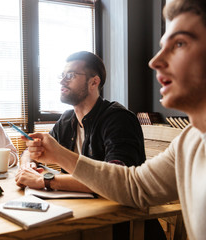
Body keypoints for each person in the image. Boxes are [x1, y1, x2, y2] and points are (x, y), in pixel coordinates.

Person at [23, 0, 206, 239]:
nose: (154, 62)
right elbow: (134, 185)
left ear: (94, 82)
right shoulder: (190, 142)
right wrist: (39, 159)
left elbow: (123, 176)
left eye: (179, 43)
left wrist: (48, 177)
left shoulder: (117, 119)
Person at [16, 51, 165, 240]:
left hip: (122, 226)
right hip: (81, 215)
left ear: (94, 82)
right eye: (62, 76)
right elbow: (32, 150)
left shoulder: (118, 119)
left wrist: (45, 180)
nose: (62, 81)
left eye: (70, 75)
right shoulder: (66, 119)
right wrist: (28, 164)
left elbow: (116, 178)